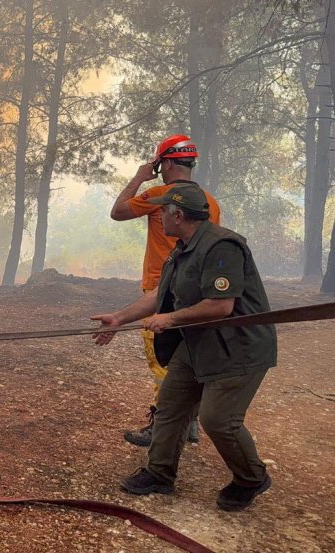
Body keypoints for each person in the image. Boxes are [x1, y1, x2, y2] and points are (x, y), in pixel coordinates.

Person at [92, 183, 276, 512]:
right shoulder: (181, 248)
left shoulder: (223, 246)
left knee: (218, 420)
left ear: (178, 215)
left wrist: (171, 319)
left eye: (163, 210)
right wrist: (119, 318)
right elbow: (160, 294)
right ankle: (159, 474)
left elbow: (221, 306)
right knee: (170, 406)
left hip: (238, 348)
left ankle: (250, 478)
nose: (159, 215)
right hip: (196, 345)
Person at [109, 134, 221, 447]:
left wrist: (139, 177)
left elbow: (117, 212)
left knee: (162, 360)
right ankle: (189, 419)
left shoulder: (158, 194)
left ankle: (164, 424)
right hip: (197, 293)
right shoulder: (209, 202)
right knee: (187, 356)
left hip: (159, 291)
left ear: (166, 163)